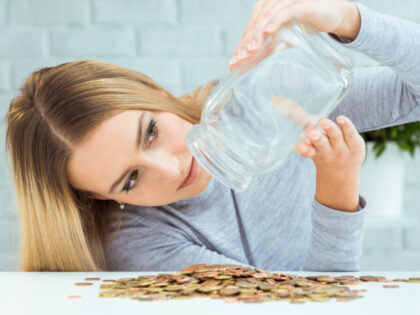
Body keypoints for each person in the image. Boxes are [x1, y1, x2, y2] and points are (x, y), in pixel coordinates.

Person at [4, 0, 420, 271]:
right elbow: (308, 306)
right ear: (103, 197)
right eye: (130, 180)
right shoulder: (138, 245)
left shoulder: (267, 98)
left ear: (157, 92)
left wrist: (349, 20)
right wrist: (337, 195)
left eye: (150, 132)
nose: (173, 166)